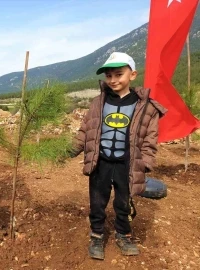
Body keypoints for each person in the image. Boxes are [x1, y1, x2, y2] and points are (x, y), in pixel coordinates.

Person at [69, 52, 167, 260]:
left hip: (127, 164)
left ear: (132, 75)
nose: (113, 80)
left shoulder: (146, 107)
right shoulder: (98, 103)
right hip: (101, 162)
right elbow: (85, 130)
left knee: (123, 202)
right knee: (97, 201)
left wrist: (146, 164)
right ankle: (96, 235)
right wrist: (68, 150)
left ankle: (124, 234)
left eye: (118, 74)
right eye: (109, 76)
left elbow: (150, 139)